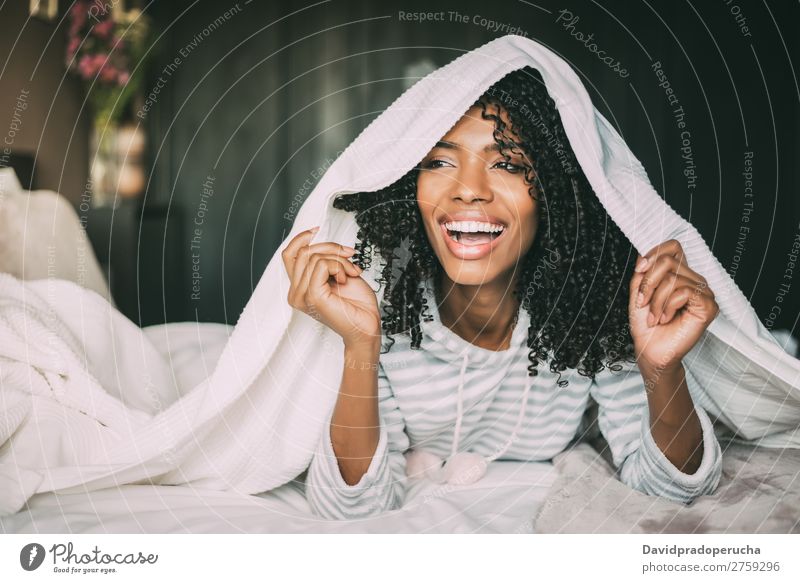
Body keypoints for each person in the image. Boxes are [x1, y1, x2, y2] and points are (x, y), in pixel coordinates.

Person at [281, 66, 723, 521]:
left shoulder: (592, 310)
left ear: (554, 191)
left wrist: (663, 369)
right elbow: (351, 508)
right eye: (438, 162)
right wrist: (360, 346)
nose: (469, 190)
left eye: (508, 163)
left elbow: (673, 486)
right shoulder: (379, 305)